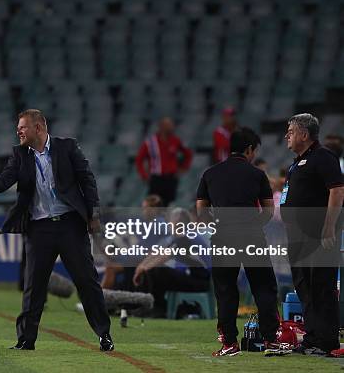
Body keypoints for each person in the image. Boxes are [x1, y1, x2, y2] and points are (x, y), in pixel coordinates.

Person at [0, 109, 114, 351]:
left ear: (38, 128)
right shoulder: (19, 155)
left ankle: (104, 334)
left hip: (71, 224)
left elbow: (87, 181)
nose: (18, 131)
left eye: (22, 127)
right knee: (34, 285)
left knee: (86, 280)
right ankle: (26, 339)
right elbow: (2, 183)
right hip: (38, 228)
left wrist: (93, 214)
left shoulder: (67, 147)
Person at [196, 127, 291, 357]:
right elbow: (269, 210)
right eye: (254, 151)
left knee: (226, 290)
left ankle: (229, 343)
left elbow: (201, 210)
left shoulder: (210, 173)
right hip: (251, 236)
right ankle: (271, 340)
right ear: (249, 149)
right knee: (263, 287)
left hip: (223, 237)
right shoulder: (257, 175)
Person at [280, 113, 344, 356]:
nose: (287, 135)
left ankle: (327, 340)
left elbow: (337, 191)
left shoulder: (323, 157)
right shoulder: (298, 162)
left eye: (291, 131)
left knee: (321, 286)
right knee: (304, 286)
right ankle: (313, 337)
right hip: (297, 235)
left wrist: (329, 226)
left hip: (317, 233)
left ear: (304, 135)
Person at [132, 208, 210, 318]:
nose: (169, 224)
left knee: (158, 270)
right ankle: (146, 306)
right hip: (192, 276)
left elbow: (165, 256)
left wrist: (144, 268)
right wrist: (141, 266)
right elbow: (157, 252)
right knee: (152, 269)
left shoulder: (187, 237)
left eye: (171, 221)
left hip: (199, 280)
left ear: (177, 222)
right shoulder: (179, 237)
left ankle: (158, 308)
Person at [135, 117, 193, 206]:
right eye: (168, 125)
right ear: (161, 127)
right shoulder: (150, 142)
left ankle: (165, 219)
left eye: (171, 125)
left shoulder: (175, 140)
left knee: (167, 205)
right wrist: (144, 176)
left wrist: (183, 168)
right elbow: (139, 159)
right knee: (154, 206)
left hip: (171, 179)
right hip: (156, 179)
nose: (171, 127)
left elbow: (188, 154)